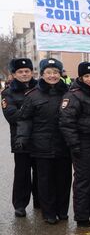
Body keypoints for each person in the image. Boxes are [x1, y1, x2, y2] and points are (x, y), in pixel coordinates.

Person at [16, 58, 71, 224]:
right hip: (41, 145)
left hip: (63, 144)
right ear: (42, 75)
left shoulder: (68, 93)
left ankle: (62, 211)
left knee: (64, 179)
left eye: (55, 72)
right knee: (45, 181)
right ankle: (49, 213)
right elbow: (24, 119)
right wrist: (22, 137)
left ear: (60, 74)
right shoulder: (33, 95)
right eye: (48, 72)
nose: (52, 76)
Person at [59, 61, 90, 228]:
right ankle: (81, 215)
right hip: (82, 141)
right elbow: (67, 122)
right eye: (86, 76)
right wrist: (74, 144)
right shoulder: (73, 95)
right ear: (80, 77)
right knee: (83, 179)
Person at [2, 58, 39, 217]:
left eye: (27, 71)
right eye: (20, 72)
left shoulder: (40, 88)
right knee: (22, 174)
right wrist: (31, 113)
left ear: (32, 72)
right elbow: (11, 115)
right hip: (20, 140)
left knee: (40, 173)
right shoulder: (8, 93)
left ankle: (40, 202)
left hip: (40, 138)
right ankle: (20, 205)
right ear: (14, 74)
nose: (24, 74)